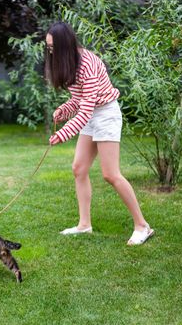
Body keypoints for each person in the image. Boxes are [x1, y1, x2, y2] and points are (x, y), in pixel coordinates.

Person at [45, 22, 154, 246]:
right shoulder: (70, 63)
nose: (50, 52)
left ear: (65, 46)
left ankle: (143, 226)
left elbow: (86, 109)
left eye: (53, 47)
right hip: (91, 113)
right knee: (79, 168)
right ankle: (84, 225)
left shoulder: (88, 63)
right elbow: (79, 100)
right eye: (48, 48)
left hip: (106, 114)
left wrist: (63, 134)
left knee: (110, 174)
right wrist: (63, 110)